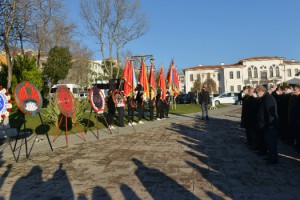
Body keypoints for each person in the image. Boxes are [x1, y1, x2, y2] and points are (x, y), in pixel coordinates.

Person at [256, 85, 279, 164]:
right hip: (266, 125)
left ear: (260, 91)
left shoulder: (268, 98)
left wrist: (270, 125)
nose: (257, 93)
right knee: (269, 143)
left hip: (270, 126)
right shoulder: (264, 98)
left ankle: (274, 159)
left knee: (272, 143)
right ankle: (271, 156)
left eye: (257, 91)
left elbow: (270, 113)